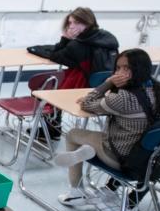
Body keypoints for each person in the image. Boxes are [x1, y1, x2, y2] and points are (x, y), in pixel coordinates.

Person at [53, 49, 160, 211]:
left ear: (139, 69)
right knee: (114, 135)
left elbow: (87, 102)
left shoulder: (123, 98)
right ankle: (92, 158)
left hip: (120, 158)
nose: (120, 73)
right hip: (150, 159)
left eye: (127, 68)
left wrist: (108, 82)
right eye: (118, 68)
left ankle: (76, 191)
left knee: (73, 134)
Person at [27, 7, 119, 138]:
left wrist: (65, 38)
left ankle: (52, 130)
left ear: (87, 22)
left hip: (82, 84)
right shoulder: (108, 38)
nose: (71, 26)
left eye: (76, 23)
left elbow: (56, 56)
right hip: (104, 85)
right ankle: (53, 128)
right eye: (70, 23)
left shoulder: (77, 45)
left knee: (45, 89)